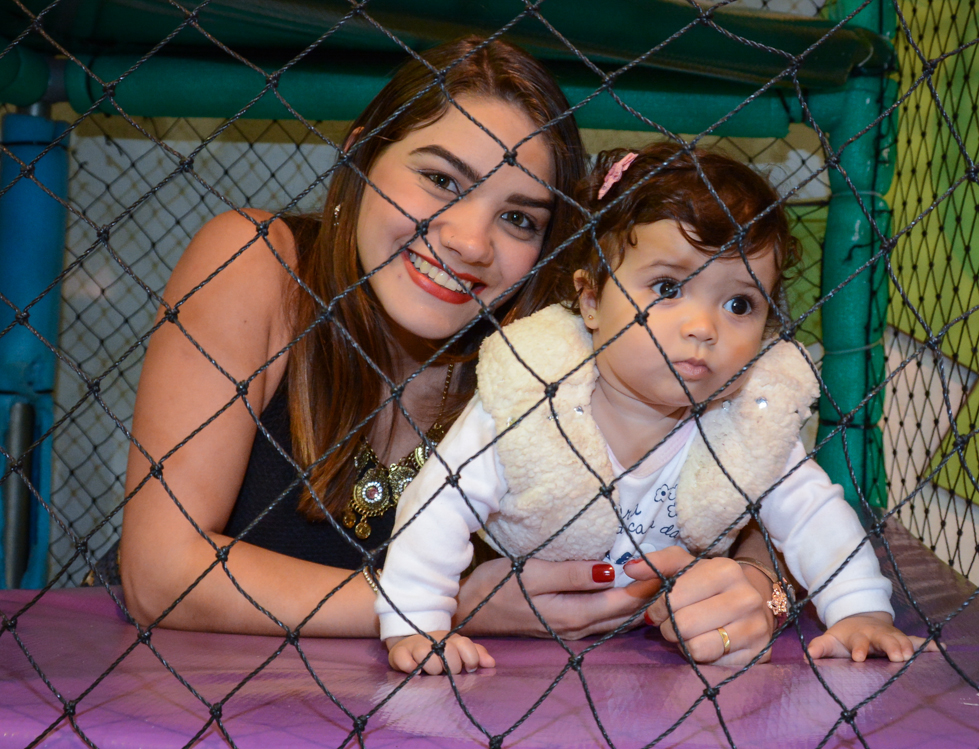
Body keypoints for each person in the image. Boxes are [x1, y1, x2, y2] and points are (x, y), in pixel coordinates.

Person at [118, 38, 783, 652]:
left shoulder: (558, 351)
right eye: (441, 180)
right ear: (359, 155)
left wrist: (760, 589)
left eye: (518, 217)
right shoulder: (258, 266)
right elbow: (160, 571)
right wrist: (445, 605)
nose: (470, 241)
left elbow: (751, 497)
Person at [377, 144, 916, 674]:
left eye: (739, 304)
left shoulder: (744, 422)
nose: (703, 328)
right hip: (531, 660)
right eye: (668, 287)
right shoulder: (534, 398)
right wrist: (418, 619)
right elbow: (440, 502)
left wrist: (858, 609)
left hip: (657, 658)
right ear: (591, 301)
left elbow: (812, 515)